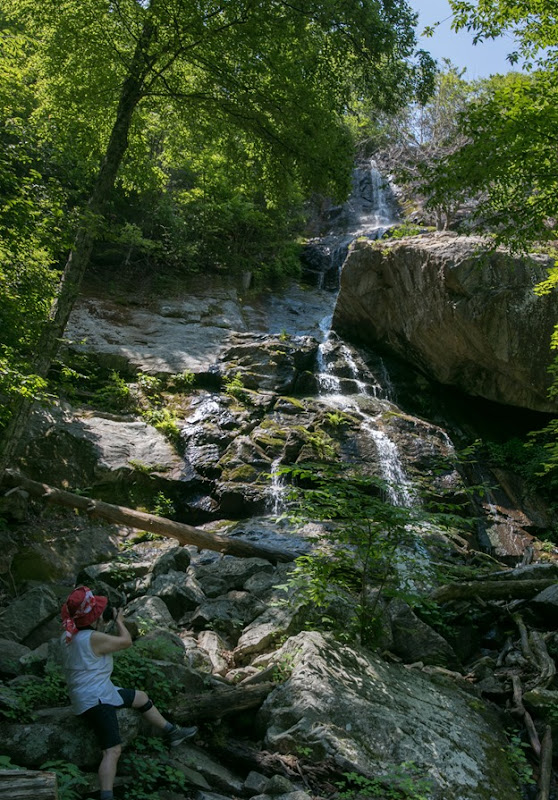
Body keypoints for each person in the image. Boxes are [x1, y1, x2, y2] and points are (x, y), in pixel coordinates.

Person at [60, 585, 197, 800]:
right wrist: (120, 622)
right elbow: (126, 642)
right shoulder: (92, 638)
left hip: (91, 692)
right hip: (96, 699)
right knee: (112, 751)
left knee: (141, 697)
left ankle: (172, 732)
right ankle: (107, 796)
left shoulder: (69, 635)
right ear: (94, 618)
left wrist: (103, 624)